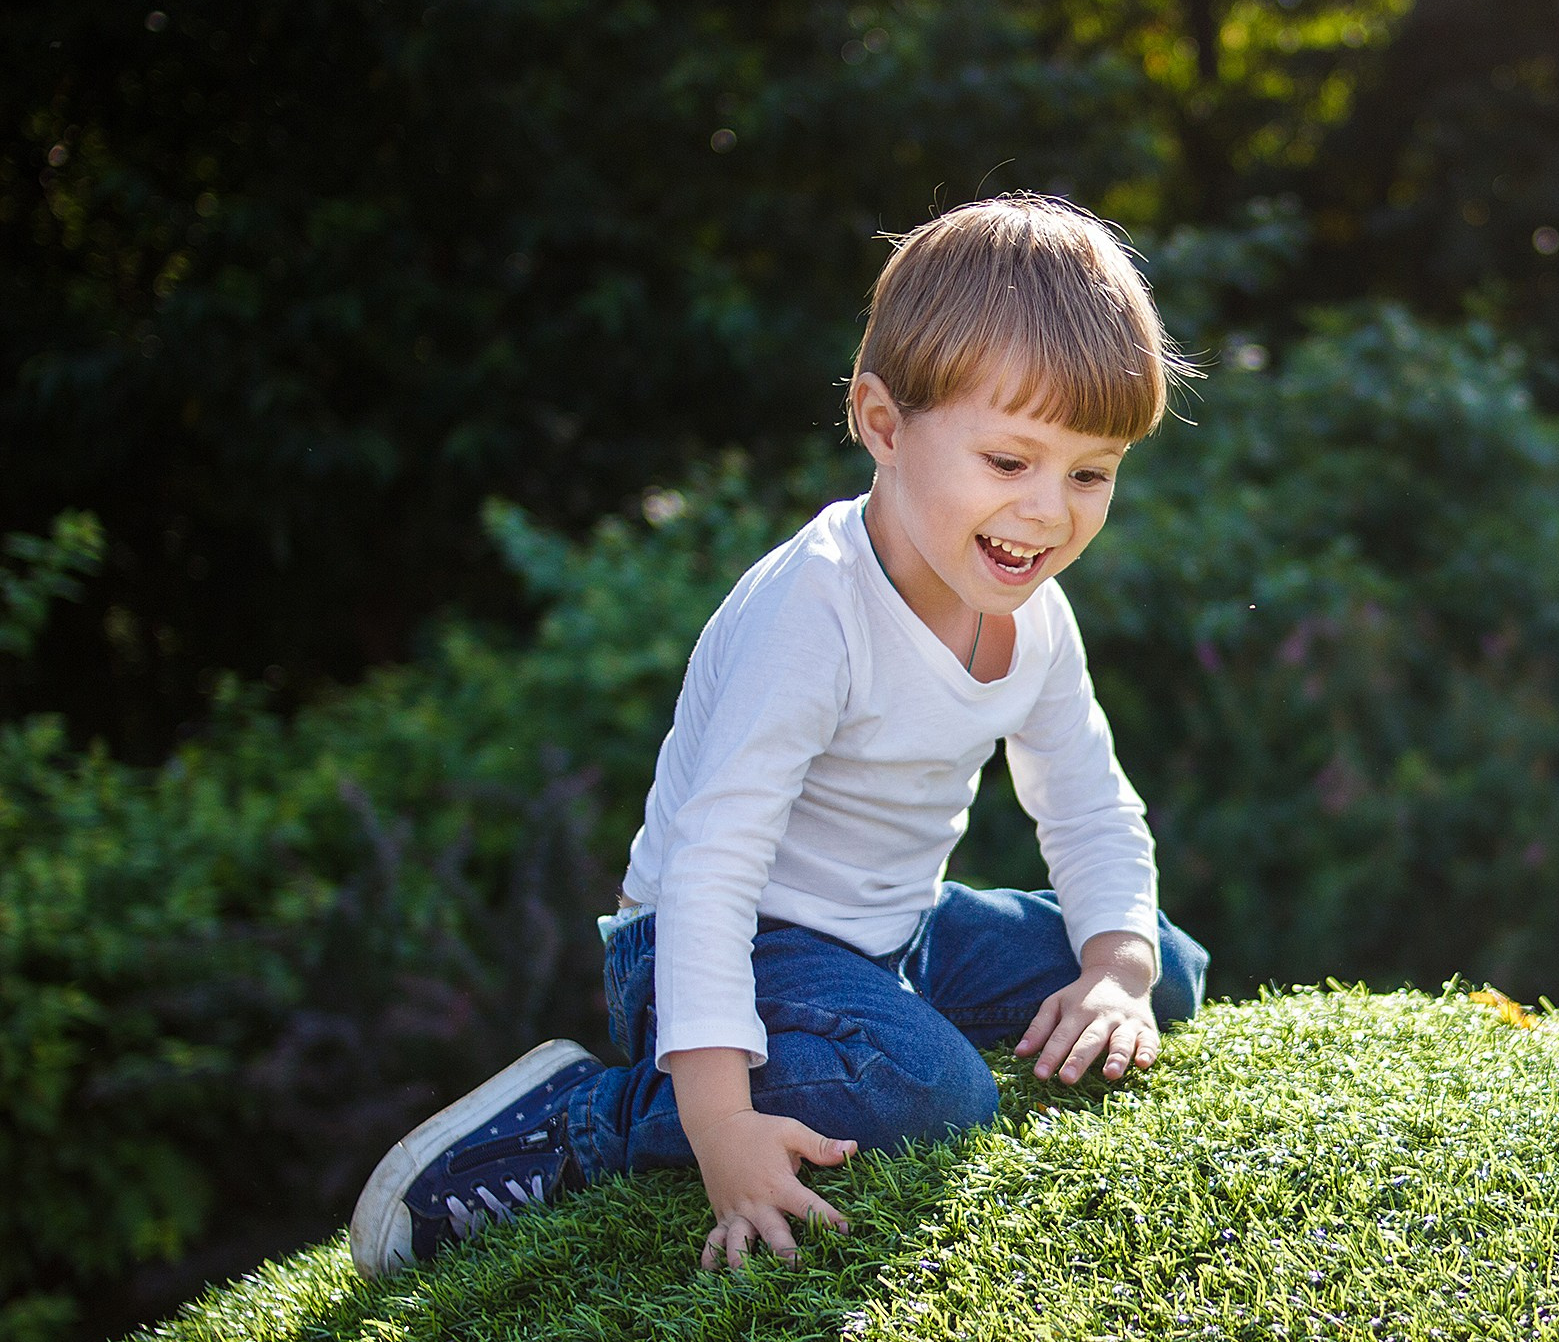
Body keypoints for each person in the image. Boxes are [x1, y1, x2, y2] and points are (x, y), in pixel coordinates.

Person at [349, 193, 1210, 1280]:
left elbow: (1087, 804)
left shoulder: (1033, 616)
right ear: (883, 425)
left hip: (887, 933)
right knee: (936, 1095)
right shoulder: (813, 611)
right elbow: (711, 871)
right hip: (713, 940)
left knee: (1159, 963)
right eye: (1009, 461)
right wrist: (717, 1123)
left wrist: (1114, 975)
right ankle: (590, 1119)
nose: (1047, 512)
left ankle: (868, 1029)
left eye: (1090, 472)